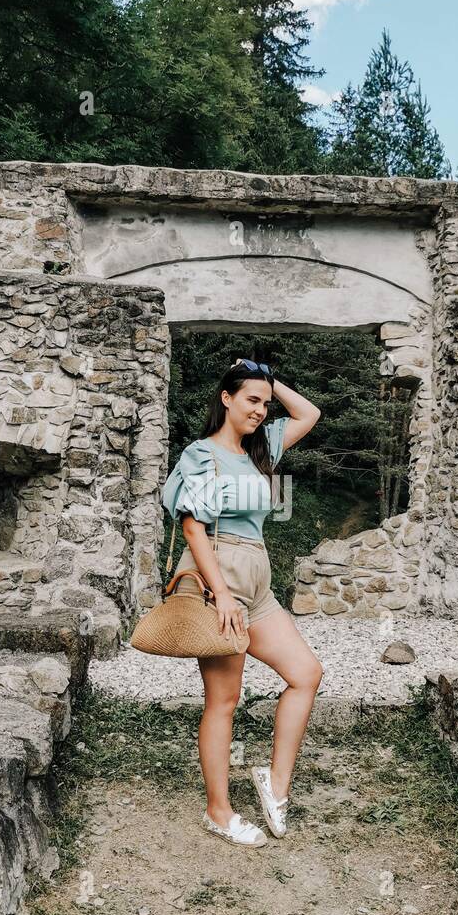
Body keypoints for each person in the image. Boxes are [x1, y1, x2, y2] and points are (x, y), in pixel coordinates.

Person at [161, 358, 323, 848]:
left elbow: (309, 414)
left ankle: (275, 785)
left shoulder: (262, 449)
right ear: (226, 398)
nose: (261, 409)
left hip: (257, 579)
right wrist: (223, 594)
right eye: (251, 399)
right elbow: (192, 527)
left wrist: (270, 379)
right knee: (224, 701)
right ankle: (219, 810)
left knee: (305, 674)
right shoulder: (201, 455)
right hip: (219, 577)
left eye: (266, 403)